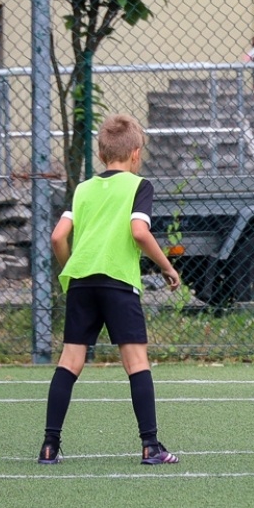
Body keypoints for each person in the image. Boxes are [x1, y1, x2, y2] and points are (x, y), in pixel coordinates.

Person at [41, 114, 182, 465]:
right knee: (136, 363)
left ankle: (49, 446)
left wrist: (71, 269)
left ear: (102, 154)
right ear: (135, 154)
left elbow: (58, 236)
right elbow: (139, 231)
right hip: (119, 282)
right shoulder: (139, 186)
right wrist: (167, 267)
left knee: (69, 362)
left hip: (82, 283)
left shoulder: (83, 189)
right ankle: (150, 446)